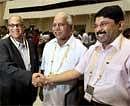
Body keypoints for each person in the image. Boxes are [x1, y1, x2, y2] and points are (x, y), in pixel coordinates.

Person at [39, 5, 130, 106]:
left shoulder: (127, 50)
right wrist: (46, 80)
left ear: (120, 25)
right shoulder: (93, 49)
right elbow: (76, 72)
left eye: (103, 24)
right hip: (87, 101)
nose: (99, 29)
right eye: (96, 26)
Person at [40, 12, 87, 106]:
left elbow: (82, 79)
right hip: (47, 99)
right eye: (54, 25)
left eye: (61, 24)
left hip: (67, 101)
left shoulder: (81, 49)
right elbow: (43, 69)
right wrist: (41, 90)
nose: (57, 28)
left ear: (71, 27)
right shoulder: (48, 45)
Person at [0, 15, 42, 106]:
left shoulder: (31, 44)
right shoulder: (2, 45)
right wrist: (30, 77)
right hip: (11, 95)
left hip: (28, 93)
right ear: (8, 28)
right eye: (12, 25)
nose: (15, 28)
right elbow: (7, 67)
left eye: (18, 25)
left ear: (23, 27)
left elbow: (34, 66)